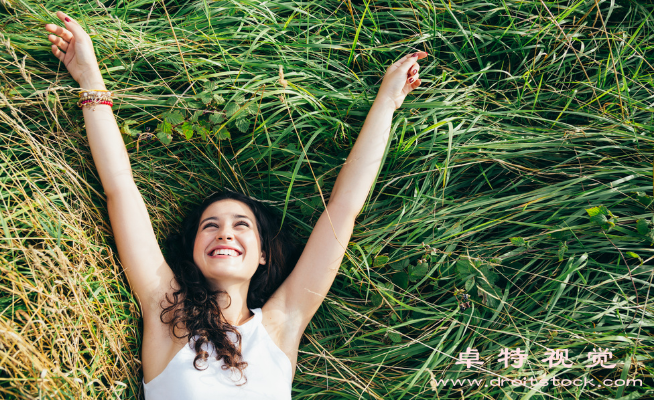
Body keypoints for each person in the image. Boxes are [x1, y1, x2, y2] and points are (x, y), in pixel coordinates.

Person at [44, 10, 426, 399]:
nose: (224, 230)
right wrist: (90, 79)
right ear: (193, 251)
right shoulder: (167, 314)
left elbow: (344, 207)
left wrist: (387, 101)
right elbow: (120, 188)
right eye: (209, 225)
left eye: (241, 225)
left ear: (263, 254)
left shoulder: (282, 324)